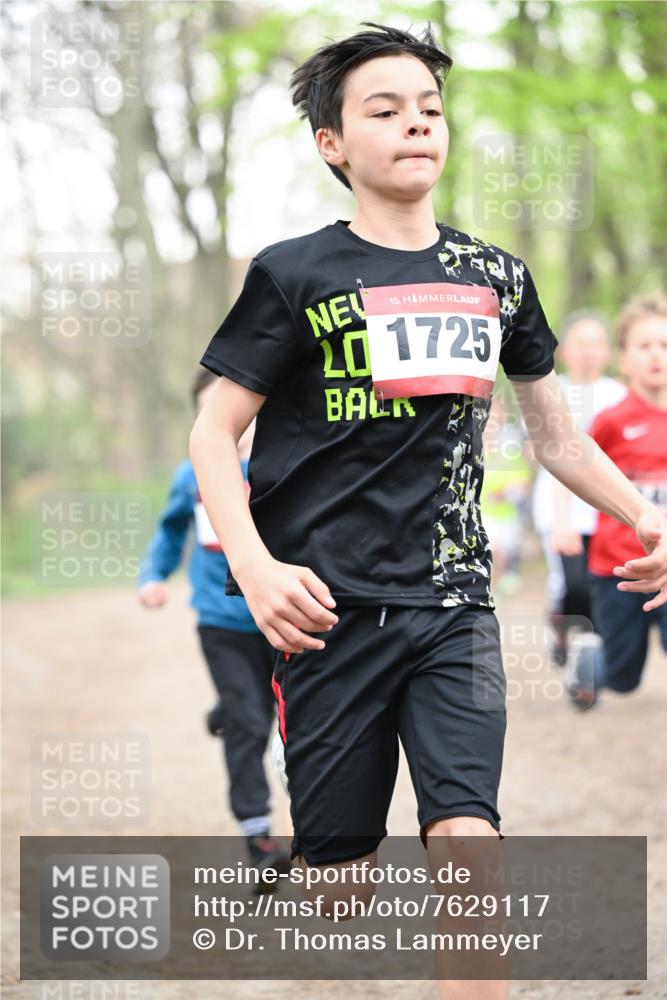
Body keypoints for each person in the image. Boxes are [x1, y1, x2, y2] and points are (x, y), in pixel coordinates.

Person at [189, 22, 667, 998]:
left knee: (466, 839)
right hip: (325, 610)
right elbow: (210, 430)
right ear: (332, 143)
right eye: (385, 109)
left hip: (452, 605)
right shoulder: (293, 275)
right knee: (341, 887)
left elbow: (557, 437)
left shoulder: (496, 277)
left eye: (430, 108)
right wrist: (254, 563)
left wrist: (649, 516)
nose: (417, 123)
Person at [137, 368, 290, 874]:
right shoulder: (191, 477)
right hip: (221, 623)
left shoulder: (284, 464)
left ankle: (229, 705)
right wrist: (153, 576)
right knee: (250, 721)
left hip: (281, 618)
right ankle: (258, 836)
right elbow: (170, 530)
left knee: (276, 716)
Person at [567, 292, 667, 709]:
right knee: (623, 679)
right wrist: (563, 523)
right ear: (624, 360)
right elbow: (578, 469)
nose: (656, 355)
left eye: (664, 345)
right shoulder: (611, 421)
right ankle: (587, 659)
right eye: (644, 346)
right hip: (618, 568)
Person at [531, 312, 626, 663]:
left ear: (609, 352)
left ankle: (588, 666)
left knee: (600, 586)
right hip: (559, 508)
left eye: (597, 344)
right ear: (563, 350)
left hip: (607, 508)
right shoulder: (548, 391)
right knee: (572, 585)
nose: (589, 352)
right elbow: (545, 451)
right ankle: (560, 625)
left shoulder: (621, 396)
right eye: (581, 344)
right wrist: (561, 519)